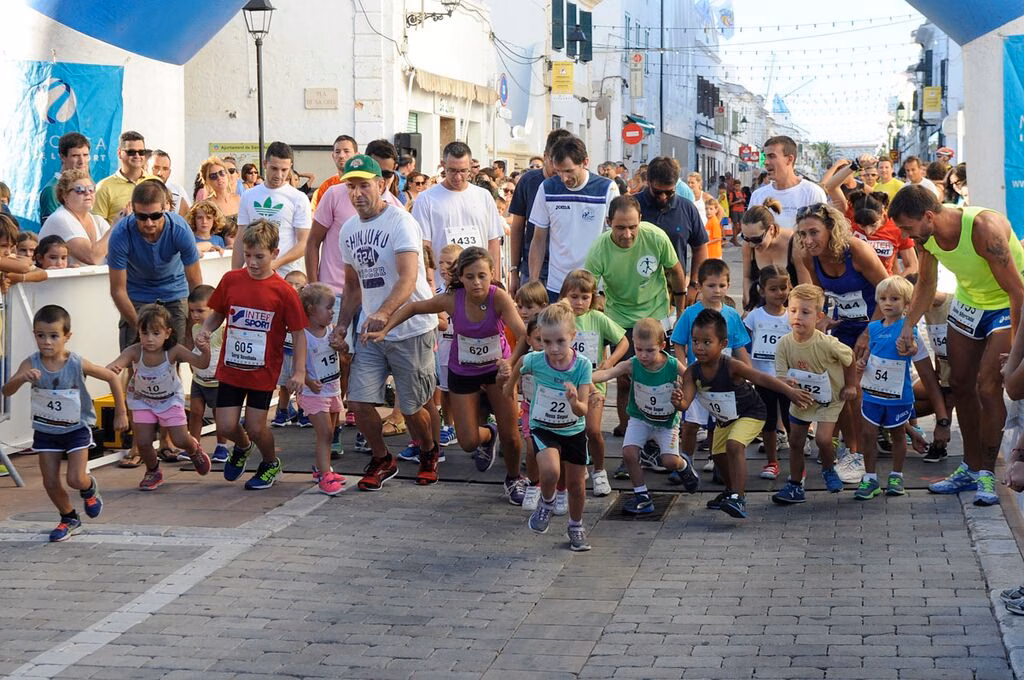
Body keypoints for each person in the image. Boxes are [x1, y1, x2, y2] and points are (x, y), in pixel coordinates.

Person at [891, 185, 1024, 506]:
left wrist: (1018, 354)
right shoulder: (927, 236)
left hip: (1007, 305)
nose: (908, 237)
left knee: (988, 387)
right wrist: (908, 325)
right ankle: (970, 466)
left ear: (928, 216)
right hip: (969, 303)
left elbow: (1018, 293)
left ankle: (989, 474)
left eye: (908, 228)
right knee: (960, 383)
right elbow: (926, 282)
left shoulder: (983, 229)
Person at [365, 246, 526, 502]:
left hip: (497, 371)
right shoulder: (452, 300)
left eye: (482, 275)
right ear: (460, 277)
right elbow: (414, 308)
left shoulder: (499, 298)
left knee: (512, 436)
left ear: (492, 273)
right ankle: (489, 434)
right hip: (463, 371)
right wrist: (385, 329)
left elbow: (523, 334)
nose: (476, 282)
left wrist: (510, 361)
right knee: (467, 442)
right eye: (470, 276)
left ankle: (514, 478)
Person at [331, 154, 441, 489]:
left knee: (411, 407)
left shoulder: (400, 222)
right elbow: (352, 285)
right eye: (352, 186)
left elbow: (408, 278)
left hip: (411, 328)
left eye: (364, 185)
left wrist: (384, 312)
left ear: (382, 184)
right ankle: (382, 458)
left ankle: (428, 450)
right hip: (371, 331)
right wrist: (341, 324)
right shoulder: (348, 230)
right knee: (359, 402)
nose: (357, 193)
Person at [197, 219, 308, 491]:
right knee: (225, 426)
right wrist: (206, 329)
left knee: (257, 426)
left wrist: (299, 371)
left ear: (274, 254)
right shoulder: (232, 280)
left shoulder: (283, 291)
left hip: (263, 370)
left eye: (259, 256)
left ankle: (270, 463)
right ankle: (243, 447)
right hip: (232, 366)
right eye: (248, 256)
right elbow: (219, 312)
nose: (253, 262)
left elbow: (299, 332)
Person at [2, 304, 127, 541]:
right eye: (40, 336)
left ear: (67, 337)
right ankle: (69, 517)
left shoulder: (76, 363)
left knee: (75, 478)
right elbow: (6, 391)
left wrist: (121, 411)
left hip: (76, 428)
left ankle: (89, 489)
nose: (46, 342)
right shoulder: (31, 363)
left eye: (53, 336)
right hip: (46, 429)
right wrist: (21, 378)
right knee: (49, 481)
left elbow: (111, 376)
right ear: (34, 335)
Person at [674, 309, 811, 518]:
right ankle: (730, 491)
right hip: (725, 419)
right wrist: (677, 401)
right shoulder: (692, 371)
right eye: (695, 341)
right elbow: (685, 403)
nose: (699, 347)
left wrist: (790, 391)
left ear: (723, 344)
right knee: (718, 454)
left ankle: (738, 497)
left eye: (707, 342)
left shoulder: (731, 366)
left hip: (751, 413)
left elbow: (761, 378)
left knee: (734, 445)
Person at [584, 195, 687, 441]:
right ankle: (629, 432)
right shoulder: (599, 249)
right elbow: (587, 288)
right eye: (620, 227)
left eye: (633, 227)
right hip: (620, 318)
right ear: (609, 222)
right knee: (625, 380)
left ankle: (664, 434)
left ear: (641, 220)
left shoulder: (656, 237)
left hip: (656, 315)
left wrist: (681, 312)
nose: (628, 234)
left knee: (661, 378)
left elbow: (675, 270)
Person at [798, 202, 889, 479]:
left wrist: (869, 332)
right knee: (843, 390)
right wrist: (823, 317)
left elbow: (889, 290)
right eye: (802, 234)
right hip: (845, 327)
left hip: (877, 322)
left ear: (831, 229)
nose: (808, 240)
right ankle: (853, 450)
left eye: (814, 233)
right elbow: (819, 295)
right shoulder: (808, 258)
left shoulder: (856, 251)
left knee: (857, 391)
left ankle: (863, 453)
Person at [505, 301, 593, 551]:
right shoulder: (536, 360)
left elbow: (583, 410)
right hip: (543, 425)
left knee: (576, 486)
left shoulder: (583, 366)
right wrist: (509, 385)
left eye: (560, 342)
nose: (553, 349)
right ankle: (546, 501)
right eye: (546, 342)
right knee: (552, 471)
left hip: (573, 429)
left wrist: (575, 401)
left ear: (572, 337)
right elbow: (521, 363)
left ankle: (576, 526)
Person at [854, 275, 950, 500]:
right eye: (884, 299)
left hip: (899, 395)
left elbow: (914, 347)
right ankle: (870, 478)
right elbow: (870, 352)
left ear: (907, 304)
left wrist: (911, 347)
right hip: (873, 393)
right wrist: (863, 361)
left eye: (895, 299)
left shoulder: (908, 330)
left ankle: (896, 475)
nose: (888, 303)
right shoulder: (874, 328)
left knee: (898, 435)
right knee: (868, 434)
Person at [592, 317, 699, 516]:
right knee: (629, 453)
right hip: (640, 418)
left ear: (662, 346)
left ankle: (684, 465)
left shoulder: (672, 365)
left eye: (650, 350)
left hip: (666, 422)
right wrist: (582, 377)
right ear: (634, 344)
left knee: (669, 462)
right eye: (639, 349)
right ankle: (642, 495)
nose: (643, 355)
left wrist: (683, 393)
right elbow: (608, 374)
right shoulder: (632, 364)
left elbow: (691, 379)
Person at [107, 304, 213, 490]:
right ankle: (153, 471)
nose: (149, 339)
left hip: (169, 400)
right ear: (138, 332)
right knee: (144, 442)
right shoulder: (134, 351)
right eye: (144, 333)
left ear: (167, 333)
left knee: (180, 439)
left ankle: (194, 449)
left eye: (156, 333)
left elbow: (201, 364)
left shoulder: (173, 351)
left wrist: (205, 351)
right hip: (142, 401)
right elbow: (114, 366)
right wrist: (112, 368)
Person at [771, 283, 857, 505]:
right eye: (793, 310)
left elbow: (849, 359)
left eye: (806, 312)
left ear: (819, 316)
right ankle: (795, 484)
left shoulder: (828, 344)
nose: (798, 316)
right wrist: (790, 389)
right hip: (801, 400)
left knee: (822, 438)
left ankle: (829, 469)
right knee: (796, 442)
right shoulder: (783, 344)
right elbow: (780, 376)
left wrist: (850, 386)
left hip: (830, 399)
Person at [671, 259, 752, 470]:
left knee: (719, 423)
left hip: (724, 381)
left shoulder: (732, 315)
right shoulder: (690, 314)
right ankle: (686, 461)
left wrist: (750, 374)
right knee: (690, 424)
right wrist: (683, 369)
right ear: (699, 287)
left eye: (722, 285)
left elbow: (739, 346)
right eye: (711, 285)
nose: (717, 290)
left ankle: (716, 460)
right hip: (696, 379)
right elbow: (678, 342)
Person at [559, 269, 628, 497]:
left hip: (593, 385)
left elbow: (623, 341)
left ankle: (599, 471)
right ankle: (578, 468)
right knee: (569, 432)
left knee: (593, 429)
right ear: (564, 295)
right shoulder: (560, 317)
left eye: (585, 297)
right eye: (574, 296)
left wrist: (610, 361)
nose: (579, 302)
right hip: (564, 386)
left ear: (593, 298)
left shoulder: (597, 318)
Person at [528, 136, 618, 300]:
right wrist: (533, 282)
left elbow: (616, 242)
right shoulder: (547, 188)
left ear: (585, 162)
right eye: (558, 172)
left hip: (595, 287)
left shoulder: (607, 189)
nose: (564, 178)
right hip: (558, 286)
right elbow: (538, 239)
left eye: (569, 171)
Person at [413, 141, 504, 283]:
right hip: (443, 285)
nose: (458, 177)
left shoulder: (484, 196)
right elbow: (425, 247)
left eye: (463, 171)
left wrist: (495, 282)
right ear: (443, 166)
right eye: (452, 170)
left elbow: (493, 242)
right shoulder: (426, 199)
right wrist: (429, 283)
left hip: (478, 284)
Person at [742, 265, 793, 480]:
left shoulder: (792, 316)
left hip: (789, 379)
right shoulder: (754, 316)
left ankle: (796, 462)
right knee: (769, 422)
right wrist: (745, 370)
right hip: (763, 378)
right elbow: (743, 344)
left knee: (793, 423)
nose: (780, 293)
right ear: (762, 291)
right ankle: (772, 462)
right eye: (773, 289)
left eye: (784, 287)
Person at [508, 129, 573, 295]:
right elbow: (517, 228)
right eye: (554, 161)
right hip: (533, 268)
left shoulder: (571, 183)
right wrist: (514, 270)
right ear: (545, 156)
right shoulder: (528, 182)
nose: (559, 171)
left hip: (567, 269)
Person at [634, 157, 707, 300]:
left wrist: (694, 285)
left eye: (669, 192)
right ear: (648, 182)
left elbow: (700, 247)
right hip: (635, 292)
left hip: (675, 293)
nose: (663, 197)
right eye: (657, 191)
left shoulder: (687, 208)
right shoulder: (632, 205)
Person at [298, 283, 346, 496]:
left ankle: (323, 469)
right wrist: (307, 381)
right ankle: (325, 475)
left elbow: (344, 355)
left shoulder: (331, 330)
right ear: (310, 309)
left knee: (331, 432)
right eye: (328, 307)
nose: (332, 312)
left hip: (332, 389)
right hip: (313, 393)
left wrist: (341, 346)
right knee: (325, 433)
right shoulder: (303, 335)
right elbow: (296, 367)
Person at [234, 141, 310, 276]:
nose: (279, 175)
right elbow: (240, 238)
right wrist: (235, 275)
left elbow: (304, 243)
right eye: (274, 168)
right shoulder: (248, 195)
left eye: (284, 170)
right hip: (253, 274)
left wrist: (275, 264)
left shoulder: (299, 198)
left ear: (290, 167)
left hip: (285, 276)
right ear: (265, 164)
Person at [185, 284, 233, 465]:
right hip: (198, 379)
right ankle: (194, 446)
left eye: (200, 310)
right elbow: (194, 349)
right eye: (191, 311)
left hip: (217, 381)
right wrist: (192, 364)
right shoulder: (195, 328)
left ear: (214, 309)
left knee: (218, 414)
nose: (195, 315)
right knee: (196, 412)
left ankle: (221, 446)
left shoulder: (221, 329)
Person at [739, 199, 807, 310]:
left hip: (791, 308)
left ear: (770, 229)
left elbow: (805, 287)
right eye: (745, 238)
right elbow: (747, 278)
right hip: (761, 308)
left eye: (756, 239)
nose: (751, 244)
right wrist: (748, 304)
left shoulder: (794, 243)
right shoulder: (748, 245)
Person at [748, 135, 827, 227]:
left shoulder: (812, 192)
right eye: (765, 157)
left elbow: (820, 232)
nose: (766, 162)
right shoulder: (758, 195)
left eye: (771, 156)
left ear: (790, 159)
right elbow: (749, 232)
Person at [39, 169, 112, 266]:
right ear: (65, 196)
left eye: (91, 189)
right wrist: (115, 227)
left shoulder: (98, 220)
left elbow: (120, 251)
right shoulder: (61, 218)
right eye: (80, 190)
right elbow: (91, 257)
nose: (87, 193)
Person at [270, 271, 310, 427]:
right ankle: (283, 411)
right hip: (284, 352)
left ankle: (303, 411)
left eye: (297, 284)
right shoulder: (280, 304)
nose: (292, 287)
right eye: (289, 283)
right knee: (285, 385)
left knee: (302, 385)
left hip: (300, 354)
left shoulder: (306, 308)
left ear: (305, 288)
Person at [93, 131, 155, 223]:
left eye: (141, 152)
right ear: (119, 153)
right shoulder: (103, 187)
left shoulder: (156, 182)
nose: (137, 156)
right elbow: (98, 228)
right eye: (131, 152)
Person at [39, 132, 91, 224]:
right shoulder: (51, 190)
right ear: (62, 157)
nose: (82, 161)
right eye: (75, 156)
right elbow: (51, 232)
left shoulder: (88, 185)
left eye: (85, 155)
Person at [311, 135, 358, 211]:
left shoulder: (365, 183)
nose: (341, 156)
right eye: (337, 152)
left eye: (346, 151)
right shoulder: (325, 188)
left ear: (357, 155)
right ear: (333, 156)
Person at [198, 156, 240, 234]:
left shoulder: (240, 199)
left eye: (222, 173)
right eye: (213, 176)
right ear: (207, 181)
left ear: (227, 175)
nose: (219, 178)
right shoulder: (207, 205)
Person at [148, 150, 190, 216]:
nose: (160, 173)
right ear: (146, 168)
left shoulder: (178, 191)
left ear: (169, 172)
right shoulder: (136, 190)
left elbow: (188, 220)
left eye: (165, 169)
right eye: (156, 168)